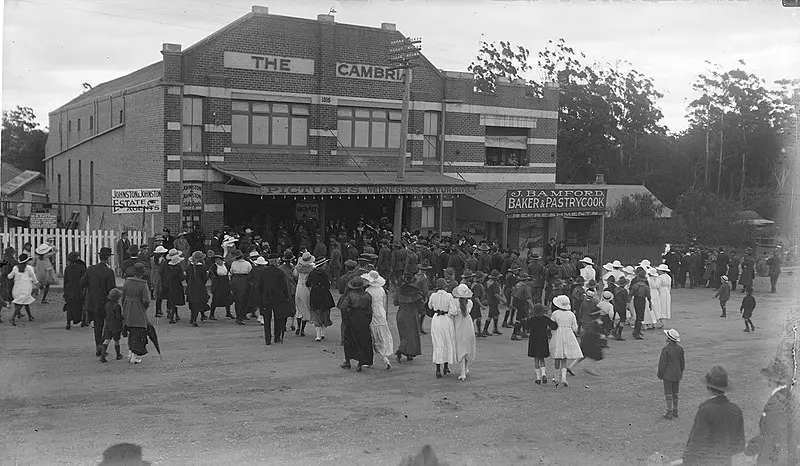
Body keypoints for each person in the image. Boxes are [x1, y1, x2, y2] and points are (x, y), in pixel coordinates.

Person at [683, 366, 745, 465]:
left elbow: (696, 444)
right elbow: (740, 445)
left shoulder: (705, 410)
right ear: (724, 388)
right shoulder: (736, 410)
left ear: (708, 386)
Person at [745, 356, 799, 465]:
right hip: (790, 458)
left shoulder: (774, 404)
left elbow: (771, 437)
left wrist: (752, 446)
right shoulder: (792, 399)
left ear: (771, 380)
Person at [80, 247, 117, 355]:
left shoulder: (91, 269)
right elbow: (112, 289)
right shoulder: (109, 272)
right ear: (108, 258)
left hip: (93, 301)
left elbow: (82, 282)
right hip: (106, 302)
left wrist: (91, 287)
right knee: (107, 325)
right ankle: (103, 345)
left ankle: (98, 346)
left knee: (97, 325)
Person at [338, 276, 374, 371]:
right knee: (363, 340)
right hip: (363, 318)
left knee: (349, 339)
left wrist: (345, 319)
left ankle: (348, 361)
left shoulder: (350, 295)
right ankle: (360, 362)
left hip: (352, 317)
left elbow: (343, 308)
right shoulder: (368, 295)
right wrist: (368, 321)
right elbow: (370, 310)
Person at [259, 253, 293, 345]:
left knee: (267, 319)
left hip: (266, 297)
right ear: (275, 261)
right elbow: (284, 286)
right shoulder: (280, 272)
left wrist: (260, 296)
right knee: (278, 318)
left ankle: (268, 339)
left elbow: (259, 286)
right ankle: (277, 337)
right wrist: (286, 296)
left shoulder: (263, 272)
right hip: (278, 297)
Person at [549, 295, 583, 387]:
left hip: (558, 333)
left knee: (557, 356)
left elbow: (551, 325)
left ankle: (556, 377)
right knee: (564, 357)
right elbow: (575, 328)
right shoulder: (571, 314)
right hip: (568, 334)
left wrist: (553, 332)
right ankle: (563, 378)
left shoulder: (555, 313)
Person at [121, 262, 152, 365]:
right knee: (138, 333)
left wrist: (124, 307)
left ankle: (130, 353)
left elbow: (123, 296)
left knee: (130, 331)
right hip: (138, 308)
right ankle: (134, 356)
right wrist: (145, 307)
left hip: (127, 307)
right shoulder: (143, 284)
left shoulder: (127, 282)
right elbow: (146, 300)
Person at [363, 270, 394, 369]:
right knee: (382, 335)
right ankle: (385, 358)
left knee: (373, 336)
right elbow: (384, 303)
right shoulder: (381, 290)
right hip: (381, 312)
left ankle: (370, 360)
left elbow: (366, 304)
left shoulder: (368, 291)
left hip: (373, 313)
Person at [428, 278, 456, 378]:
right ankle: (446, 366)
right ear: (445, 287)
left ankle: (438, 369)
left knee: (437, 343)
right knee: (447, 341)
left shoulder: (433, 295)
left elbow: (430, 306)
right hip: (446, 319)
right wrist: (449, 314)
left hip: (436, 319)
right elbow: (453, 311)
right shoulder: (449, 296)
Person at [394, 273, 424, 363]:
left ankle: (406, 351)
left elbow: (395, 303)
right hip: (411, 313)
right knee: (412, 334)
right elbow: (420, 305)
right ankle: (404, 351)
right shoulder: (416, 292)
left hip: (401, 313)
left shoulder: (398, 290)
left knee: (403, 334)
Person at [567, 308, 606, 376]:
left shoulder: (592, 322)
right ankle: (589, 368)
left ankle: (570, 367)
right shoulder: (595, 323)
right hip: (591, 343)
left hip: (586, 341)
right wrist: (600, 335)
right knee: (597, 356)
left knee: (583, 355)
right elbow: (592, 333)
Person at [526, 303, 558, 385]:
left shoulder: (532, 319)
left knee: (536, 358)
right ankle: (544, 374)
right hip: (543, 338)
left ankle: (538, 378)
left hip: (533, 339)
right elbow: (554, 326)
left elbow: (527, 328)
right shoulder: (545, 319)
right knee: (541, 358)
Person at [657, 329, 685, 420]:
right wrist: (681, 372)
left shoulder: (665, 350)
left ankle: (669, 412)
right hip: (677, 374)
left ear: (669, 339)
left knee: (668, 393)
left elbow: (662, 364)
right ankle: (675, 410)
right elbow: (682, 363)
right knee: (675, 393)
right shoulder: (680, 349)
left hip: (668, 375)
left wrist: (660, 374)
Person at [451, 284, 477, 381]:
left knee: (460, 347)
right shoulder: (470, 302)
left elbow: (453, 313)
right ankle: (465, 369)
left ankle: (462, 372)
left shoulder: (454, 302)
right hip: (468, 325)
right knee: (467, 347)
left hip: (459, 325)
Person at [7, 253, 38, 326]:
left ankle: (30, 316)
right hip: (26, 288)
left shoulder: (15, 267)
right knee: (22, 303)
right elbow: (34, 277)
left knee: (23, 301)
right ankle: (13, 318)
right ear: (26, 261)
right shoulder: (29, 268)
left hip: (16, 288)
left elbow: (10, 276)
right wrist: (36, 284)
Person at [307, 258, 334, 342]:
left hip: (315, 294)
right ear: (322, 265)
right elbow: (328, 285)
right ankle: (322, 333)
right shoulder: (325, 274)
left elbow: (307, 283)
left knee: (316, 313)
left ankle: (318, 335)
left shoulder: (312, 273)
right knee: (324, 312)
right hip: (324, 294)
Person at [63, 251, 87, 330]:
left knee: (69, 305)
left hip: (69, 289)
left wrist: (65, 291)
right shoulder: (82, 267)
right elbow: (85, 279)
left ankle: (68, 322)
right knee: (81, 304)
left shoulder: (68, 268)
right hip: (79, 289)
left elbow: (65, 281)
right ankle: (82, 320)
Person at [99, 288, 124, 363]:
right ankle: (118, 354)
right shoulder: (117, 306)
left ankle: (102, 356)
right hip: (116, 326)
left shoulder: (107, 304)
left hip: (108, 324)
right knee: (116, 340)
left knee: (106, 340)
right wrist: (123, 317)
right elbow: (118, 317)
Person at [293, 252, 315, 336]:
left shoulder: (298, 268)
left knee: (299, 308)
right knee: (305, 307)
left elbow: (294, 275)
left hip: (299, 286)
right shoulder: (312, 267)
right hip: (306, 288)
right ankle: (302, 330)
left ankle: (298, 327)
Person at [207, 252, 233, 320]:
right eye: (216, 260)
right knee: (216, 299)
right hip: (217, 283)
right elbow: (210, 274)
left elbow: (230, 271)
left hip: (225, 282)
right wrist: (213, 278)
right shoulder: (214, 266)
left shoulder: (226, 265)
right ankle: (211, 314)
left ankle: (228, 313)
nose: (217, 261)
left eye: (218, 259)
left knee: (227, 297)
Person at [162, 249, 186, 324]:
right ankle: (172, 317)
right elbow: (181, 277)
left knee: (171, 300)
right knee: (174, 301)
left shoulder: (167, 265)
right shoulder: (178, 267)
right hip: (176, 285)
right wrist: (184, 275)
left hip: (168, 284)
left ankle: (174, 314)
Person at [186, 251, 209, 327]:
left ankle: (192, 318)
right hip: (199, 288)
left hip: (190, 287)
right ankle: (194, 320)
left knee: (192, 304)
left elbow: (187, 278)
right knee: (198, 303)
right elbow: (205, 278)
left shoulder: (189, 267)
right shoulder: (202, 268)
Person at [229, 249, 252, 325]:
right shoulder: (247, 264)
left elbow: (231, 272)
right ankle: (242, 316)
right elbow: (250, 272)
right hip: (244, 280)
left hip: (235, 280)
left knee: (237, 300)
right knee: (244, 299)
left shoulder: (233, 263)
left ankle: (238, 316)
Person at [150, 246, 168, 318]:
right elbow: (164, 271)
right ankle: (158, 310)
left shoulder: (152, 259)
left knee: (156, 293)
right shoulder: (163, 260)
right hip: (159, 277)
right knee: (159, 295)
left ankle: (158, 310)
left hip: (153, 275)